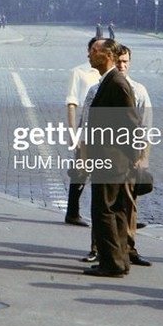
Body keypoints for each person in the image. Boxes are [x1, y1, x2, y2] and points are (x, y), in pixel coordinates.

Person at [84, 45, 153, 267]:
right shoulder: (109, 81)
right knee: (117, 211)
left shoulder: (117, 83)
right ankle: (119, 259)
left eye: (95, 51)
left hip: (112, 160)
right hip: (111, 159)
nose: (90, 54)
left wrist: (133, 158)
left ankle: (111, 264)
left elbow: (132, 125)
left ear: (108, 56)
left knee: (105, 211)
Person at [63, 37, 103, 226]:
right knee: (81, 170)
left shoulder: (112, 72)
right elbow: (72, 103)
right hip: (85, 127)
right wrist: (73, 133)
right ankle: (72, 212)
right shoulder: (79, 72)